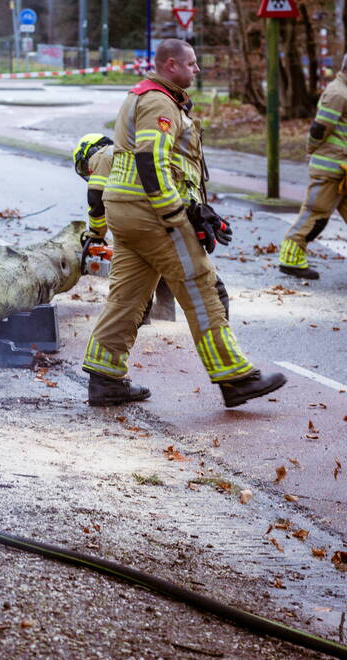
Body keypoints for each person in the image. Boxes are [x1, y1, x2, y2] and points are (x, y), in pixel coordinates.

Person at [81, 39, 285, 408]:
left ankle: (105, 377)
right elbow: (151, 160)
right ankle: (235, 378)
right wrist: (175, 215)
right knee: (201, 286)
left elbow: (161, 164)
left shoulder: (146, 96)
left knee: (127, 298)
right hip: (152, 214)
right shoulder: (159, 102)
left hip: (127, 212)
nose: (197, 70)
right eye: (191, 64)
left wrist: (194, 208)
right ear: (171, 65)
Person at [72, 133, 231, 323]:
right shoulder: (129, 155)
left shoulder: (103, 156)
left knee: (138, 278)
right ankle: (165, 312)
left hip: (145, 223)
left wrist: (96, 234)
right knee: (165, 267)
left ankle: (141, 321)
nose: (87, 171)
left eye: (83, 165)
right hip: (165, 217)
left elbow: (97, 201)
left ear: (89, 151)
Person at [277, 54, 347, 280]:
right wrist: (311, 150)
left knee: (317, 213)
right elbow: (319, 128)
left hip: (340, 166)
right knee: (315, 214)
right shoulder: (337, 93)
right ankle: (290, 258)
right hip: (331, 167)